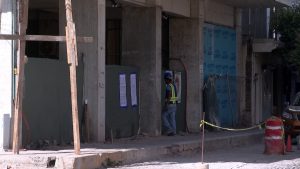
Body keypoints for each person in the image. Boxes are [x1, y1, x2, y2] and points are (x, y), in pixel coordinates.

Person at [162, 71, 177, 136]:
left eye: (165, 79)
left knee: (163, 116)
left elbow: (169, 95)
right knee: (172, 118)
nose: (165, 81)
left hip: (170, 104)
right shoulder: (173, 85)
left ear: (167, 79)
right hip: (174, 105)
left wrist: (166, 104)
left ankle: (169, 129)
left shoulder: (168, 86)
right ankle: (174, 131)